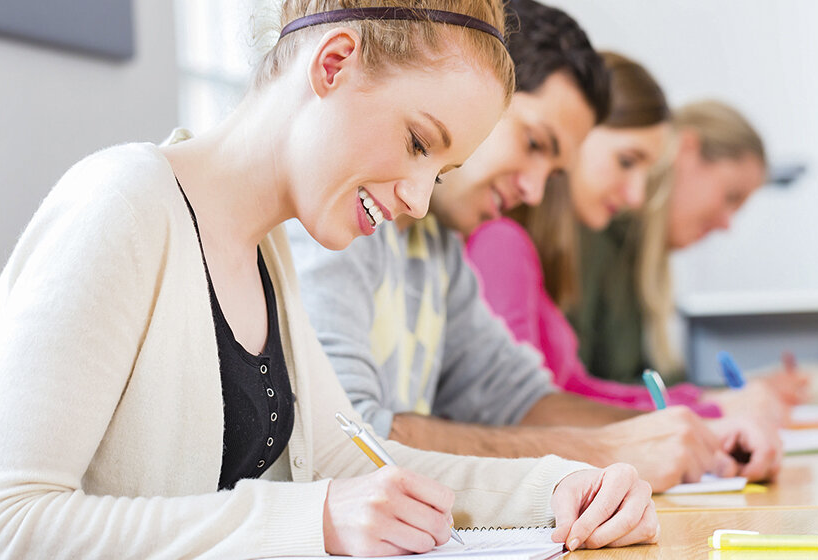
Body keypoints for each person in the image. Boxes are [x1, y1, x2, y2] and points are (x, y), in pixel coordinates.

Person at [0, 2, 661, 558]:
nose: (417, 200)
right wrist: (312, 518)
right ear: (333, 64)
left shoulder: (268, 251)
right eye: (417, 142)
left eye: (438, 172)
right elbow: (1, 529)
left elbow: (345, 460)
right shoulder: (120, 206)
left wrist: (563, 485)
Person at [289, 1, 780, 492]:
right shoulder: (340, 217)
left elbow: (519, 399)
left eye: (555, 169)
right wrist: (603, 451)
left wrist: (693, 435)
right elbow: (351, 440)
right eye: (534, 143)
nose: (536, 192)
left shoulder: (436, 245)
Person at [465, 53, 801, 431]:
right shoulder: (505, 241)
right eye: (626, 161)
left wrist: (707, 405)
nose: (636, 195)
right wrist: (710, 411)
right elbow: (520, 414)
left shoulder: (530, 246)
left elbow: (573, 389)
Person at [568, 99, 810, 419]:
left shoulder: (633, 254)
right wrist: (716, 404)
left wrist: (734, 396)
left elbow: (641, 387)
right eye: (731, 197)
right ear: (687, 151)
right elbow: (580, 394)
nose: (727, 223)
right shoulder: (594, 235)